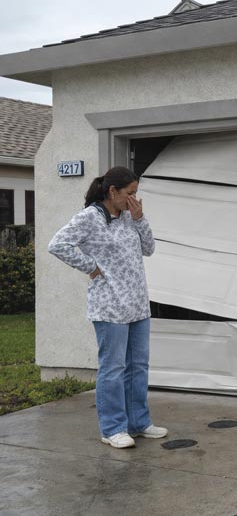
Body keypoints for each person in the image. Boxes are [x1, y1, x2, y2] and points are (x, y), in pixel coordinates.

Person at [48, 166, 167, 449]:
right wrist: (91, 267)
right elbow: (57, 244)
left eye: (136, 193)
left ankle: (139, 423)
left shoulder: (130, 217)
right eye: (130, 193)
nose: (133, 199)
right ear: (112, 191)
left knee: (137, 366)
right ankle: (112, 428)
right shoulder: (90, 218)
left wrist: (139, 219)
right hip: (109, 307)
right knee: (113, 369)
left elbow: (149, 249)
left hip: (138, 305)